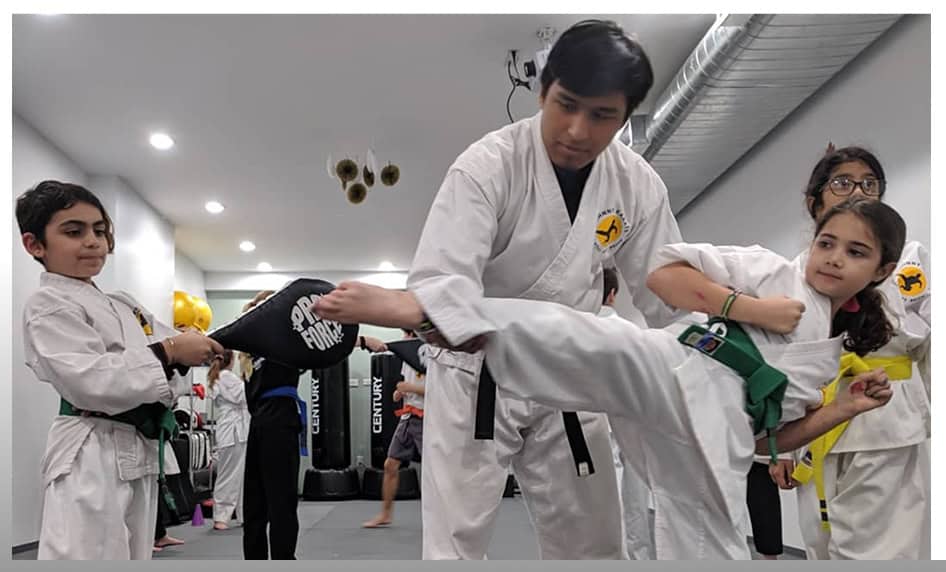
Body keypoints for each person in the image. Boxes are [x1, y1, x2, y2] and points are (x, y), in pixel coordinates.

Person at [313, 197, 900, 559]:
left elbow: (772, 440)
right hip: (680, 369)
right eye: (827, 242)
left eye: (854, 252)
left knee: (713, 548)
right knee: (593, 339)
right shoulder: (773, 271)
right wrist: (751, 310)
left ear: (883, 270)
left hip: (715, 436)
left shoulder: (830, 355)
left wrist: (841, 409)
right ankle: (423, 310)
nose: (832, 258)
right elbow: (667, 278)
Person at [321, 19, 680, 560]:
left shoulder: (636, 184)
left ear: (625, 116)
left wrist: (716, 354)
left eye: (603, 115)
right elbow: (445, 279)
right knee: (454, 546)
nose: (579, 130)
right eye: (566, 104)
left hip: (570, 374)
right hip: (476, 378)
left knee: (595, 545)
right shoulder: (486, 166)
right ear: (541, 92)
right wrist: (420, 311)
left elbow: (667, 287)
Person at [16, 180, 224, 560]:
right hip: (90, 445)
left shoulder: (123, 304)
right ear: (35, 245)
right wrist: (171, 350)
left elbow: (172, 368)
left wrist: (189, 350)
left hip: (137, 446)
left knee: (134, 553)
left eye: (100, 230)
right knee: (85, 553)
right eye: (73, 231)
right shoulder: (48, 304)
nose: (93, 241)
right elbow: (91, 381)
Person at [789, 145, 931, 559]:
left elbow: (928, 340)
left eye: (870, 183)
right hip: (817, 418)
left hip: (886, 413)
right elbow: (789, 363)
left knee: (879, 546)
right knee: (818, 538)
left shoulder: (904, 259)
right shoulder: (798, 268)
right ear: (814, 200)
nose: (858, 191)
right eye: (842, 182)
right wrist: (784, 448)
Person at [240, 290, 305, 560]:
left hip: (275, 418)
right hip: (265, 422)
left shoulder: (285, 339)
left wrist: (360, 341)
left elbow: (324, 347)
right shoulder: (251, 350)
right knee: (263, 502)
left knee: (273, 501)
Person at [597, 267, 654, 559]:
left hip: (593, 422)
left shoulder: (579, 329)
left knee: (604, 497)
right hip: (633, 419)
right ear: (613, 294)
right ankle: (638, 557)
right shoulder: (632, 333)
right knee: (635, 499)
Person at [358, 331, 429, 528]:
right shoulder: (407, 358)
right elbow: (406, 386)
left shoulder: (430, 354)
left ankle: (443, 516)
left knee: (434, 471)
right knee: (390, 464)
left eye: (407, 334)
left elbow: (442, 389)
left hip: (428, 419)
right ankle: (385, 514)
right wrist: (399, 392)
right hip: (407, 417)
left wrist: (411, 389)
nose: (404, 338)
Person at [208, 349, 251, 531]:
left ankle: (243, 514)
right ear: (231, 360)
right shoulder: (226, 376)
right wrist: (249, 378)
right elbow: (244, 396)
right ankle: (221, 516)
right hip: (234, 431)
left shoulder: (220, 377)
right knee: (230, 475)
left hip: (234, 430)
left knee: (242, 475)